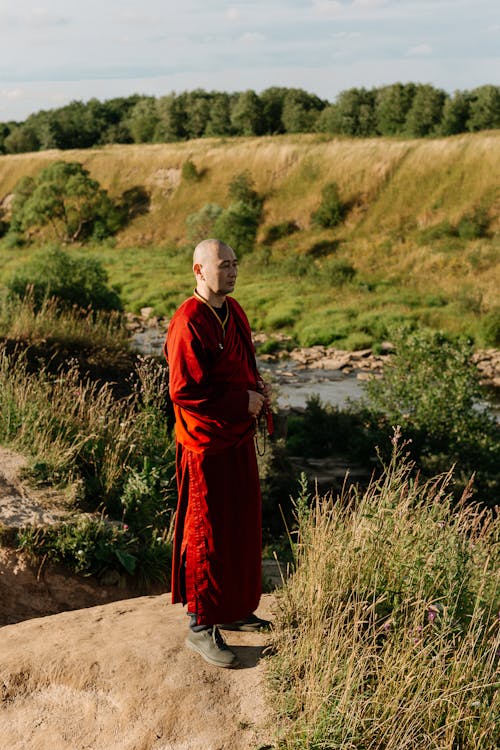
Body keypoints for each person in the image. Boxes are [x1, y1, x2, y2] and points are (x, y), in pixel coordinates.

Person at [164, 238, 272, 669]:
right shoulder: (188, 322)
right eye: (222, 265)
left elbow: (244, 364)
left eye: (234, 264)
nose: (231, 271)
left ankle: (233, 608)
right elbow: (183, 391)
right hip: (204, 442)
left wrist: (257, 391)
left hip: (236, 436)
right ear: (199, 270)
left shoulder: (235, 310)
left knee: (241, 525)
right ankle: (200, 625)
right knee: (206, 530)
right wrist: (237, 403)